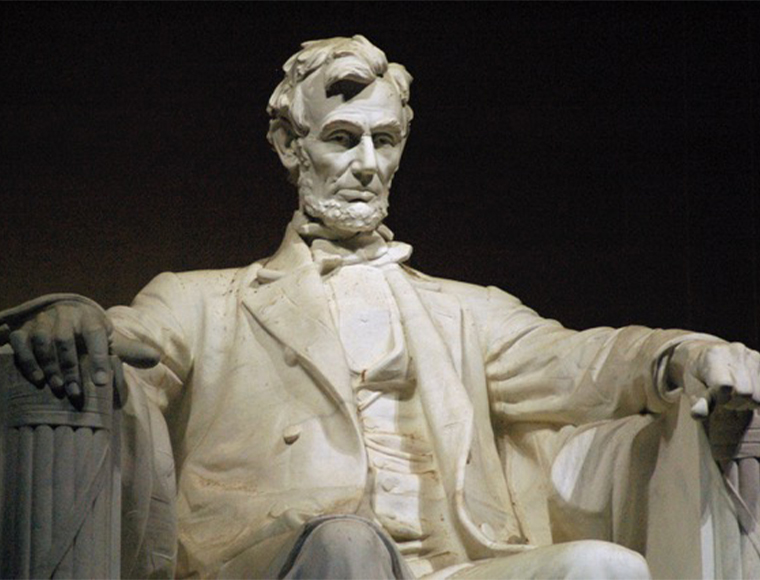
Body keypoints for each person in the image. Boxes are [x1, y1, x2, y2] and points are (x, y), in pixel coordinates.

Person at [2, 35, 760, 579]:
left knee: (602, 568)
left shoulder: (465, 312)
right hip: (277, 557)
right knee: (348, 546)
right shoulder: (203, 301)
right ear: (289, 145)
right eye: (342, 138)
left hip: (455, 564)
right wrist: (71, 315)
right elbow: (126, 344)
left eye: (385, 141)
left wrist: (683, 356)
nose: (368, 166)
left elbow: (586, 361)